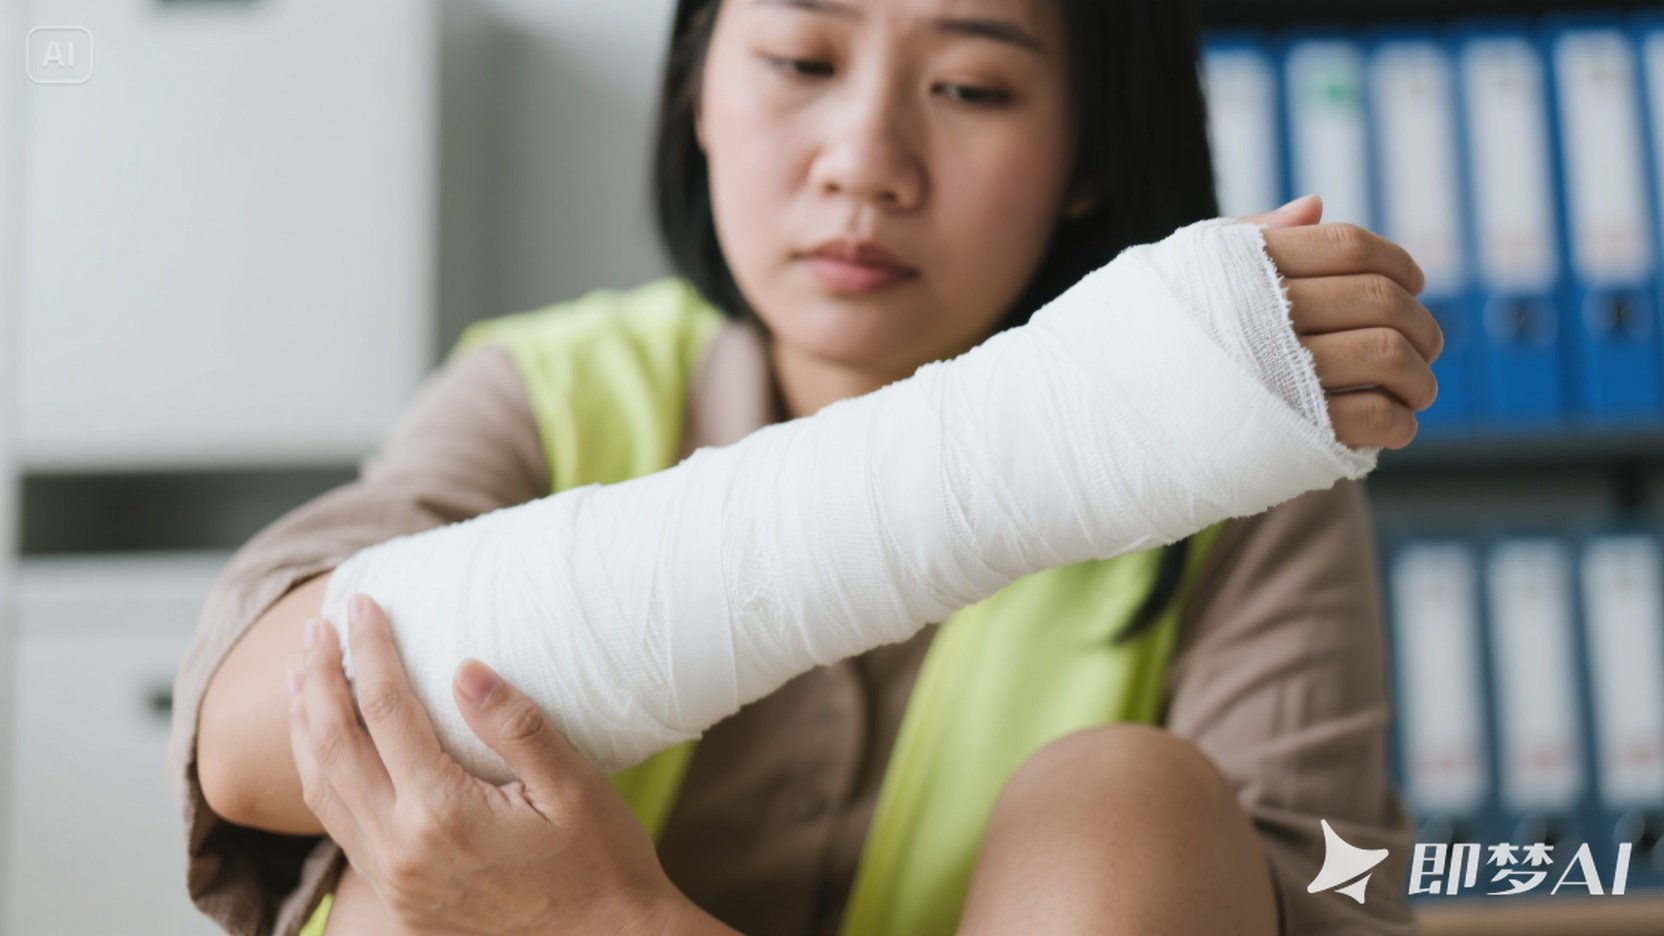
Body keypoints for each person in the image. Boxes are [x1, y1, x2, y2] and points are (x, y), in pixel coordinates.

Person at [171, 0, 1440, 933]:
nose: (864, 161)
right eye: (799, 61)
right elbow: (247, 737)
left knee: (1124, 801)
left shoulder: (1229, 481)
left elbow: (1333, 895)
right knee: (417, 847)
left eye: (972, 87)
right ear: (696, 90)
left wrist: (613, 925)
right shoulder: (548, 394)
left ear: (1089, 156)